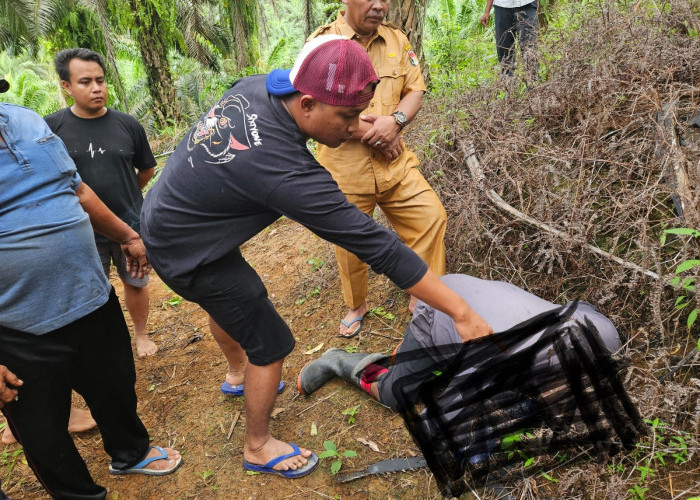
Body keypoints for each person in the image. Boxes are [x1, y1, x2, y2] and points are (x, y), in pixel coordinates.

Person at [141, 35, 492, 478]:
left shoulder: (257, 88)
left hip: (171, 215)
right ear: (307, 104)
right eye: (346, 117)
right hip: (188, 251)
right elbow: (375, 244)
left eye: (358, 115)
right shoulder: (285, 172)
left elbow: (275, 93)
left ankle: (236, 375)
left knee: (230, 303)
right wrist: (461, 313)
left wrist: (360, 120)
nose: (353, 128)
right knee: (270, 344)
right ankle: (257, 445)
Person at [0, 84, 181, 499]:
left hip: (92, 297)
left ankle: (131, 453)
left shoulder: (27, 120)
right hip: (18, 330)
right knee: (44, 434)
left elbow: (78, 190)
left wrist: (128, 236)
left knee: (115, 389)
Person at [309, 0, 448, 337]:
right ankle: (356, 304)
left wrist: (396, 121)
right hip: (346, 168)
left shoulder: (397, 40)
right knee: (349, 243)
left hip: (394, 163)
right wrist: (380, 134)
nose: (380, 5)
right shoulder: (322, 44)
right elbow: (314, 109)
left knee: (431, 217)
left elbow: (415, 89)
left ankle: (424, 293)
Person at [45, 48, 158, 358]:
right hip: (79, 229)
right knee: (89, 290)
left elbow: (146, 168)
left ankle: (141, 335)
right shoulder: (51, 129)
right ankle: (102, 345)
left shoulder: (127, 124)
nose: (96, 88)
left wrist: (129, 198)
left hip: (128, 226)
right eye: (85, 82)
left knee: (136, 281)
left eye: (101, 80)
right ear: (66, 86)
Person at [480, 0, 539, 78]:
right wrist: (486, 11)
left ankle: (533, 83)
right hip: (501, 6)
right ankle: (507, 84)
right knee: (504, 49)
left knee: (529, 47)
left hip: (526, 5)